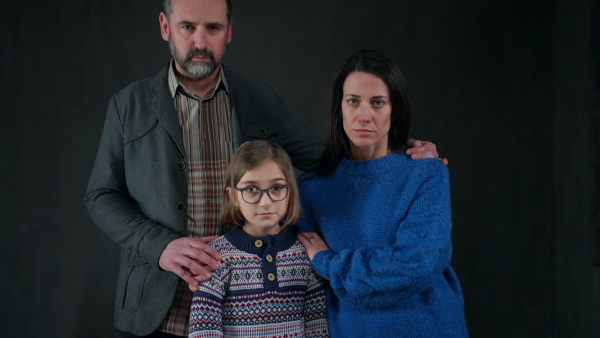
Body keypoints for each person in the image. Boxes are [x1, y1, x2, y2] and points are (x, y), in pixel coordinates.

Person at [84, 0, 441, 336]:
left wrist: (399, 152)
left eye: (213, 27)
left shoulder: (257, 98)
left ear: (229, 30)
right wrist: (160, 246)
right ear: (165, 26)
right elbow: (101, 194)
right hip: (160, 304)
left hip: (248, 306)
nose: (200, 41)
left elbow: (328, 156)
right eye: (187, 27)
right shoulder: (128, 105)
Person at [298, 49, 468, 338]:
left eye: (378, 103)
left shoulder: (426, 173)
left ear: (395, 110)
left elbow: (413, 268)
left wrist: (329, 263)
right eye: (353, 101)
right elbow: (306, 285)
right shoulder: (312, 189)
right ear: (340, 107)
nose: (364, 116)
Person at [188, 140, 328, 337]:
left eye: (277, 188)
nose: (265, 202)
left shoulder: (305, 254)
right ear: (233, 196)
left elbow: (317, 326)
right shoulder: (215, 257)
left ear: (290, 192)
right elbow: (203, 330)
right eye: (251, 189)